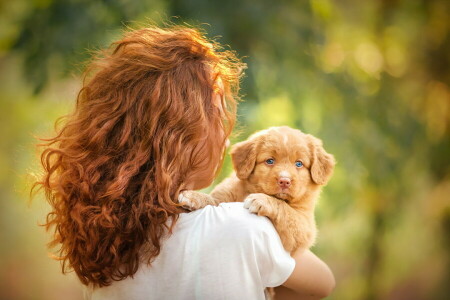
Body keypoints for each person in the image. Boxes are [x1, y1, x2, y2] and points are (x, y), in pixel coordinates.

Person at [35, 24, 335, 299]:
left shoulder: (111, 242)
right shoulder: (242, 225)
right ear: (179, 135)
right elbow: (323, 283)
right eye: (217, 116)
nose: (227, 138)